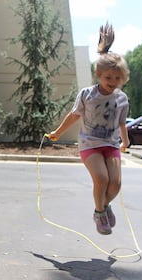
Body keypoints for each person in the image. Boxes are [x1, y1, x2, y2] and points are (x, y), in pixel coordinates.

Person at [48, 23, 130, 235]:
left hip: (111, 145)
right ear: (98, 74)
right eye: (108, 77)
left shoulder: (122, 98)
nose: (112, 82)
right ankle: (100, 214)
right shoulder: (87, 94)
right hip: (89, 144)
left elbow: (121, 122)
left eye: (117, 78)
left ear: (123, 78)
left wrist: (126, 140)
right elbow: (74, 115)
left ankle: (102, 208)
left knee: (115, 185)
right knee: (101, 179)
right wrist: (57, 132)